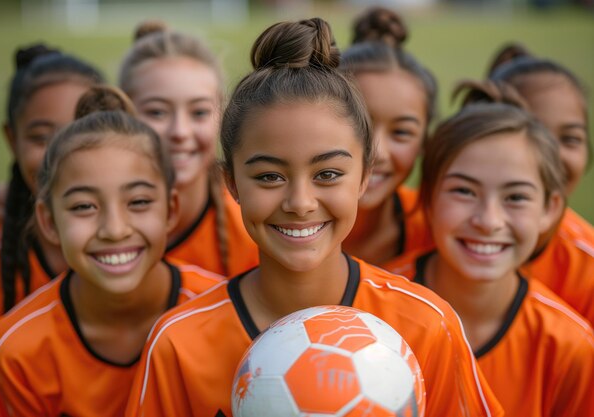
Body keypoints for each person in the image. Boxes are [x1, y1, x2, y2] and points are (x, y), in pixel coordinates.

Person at [125, 18, 504, 417]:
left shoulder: (427, 327)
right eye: (269, 176)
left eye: (327, 174)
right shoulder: (178, 344)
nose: (300, 202)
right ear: (232, 183)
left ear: (365, 177)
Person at [0, 85, 223, 417]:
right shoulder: (18, 347)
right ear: (49, 221)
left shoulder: (219, 313)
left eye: (138, 202)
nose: (114, 229)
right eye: (84, 206)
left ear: (170, 210)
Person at [386, 82, 594, 416]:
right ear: (428, 197)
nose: (488, 221)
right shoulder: (373, 311)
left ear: (550, 209)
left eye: (516, 197)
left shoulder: (571, 349)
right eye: (464, 191)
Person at [0, 44, 104, 416]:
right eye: (42, 137)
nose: (61, 154)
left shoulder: (154, 245)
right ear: (11, 139)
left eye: (81, 132)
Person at [118, 20, 258, 276]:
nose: (180, 132)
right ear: (123, 114)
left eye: (199, 112)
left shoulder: (252, 230)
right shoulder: (97, 221)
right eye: (157, 112)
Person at [487, 44, 594, 325]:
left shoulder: (587, 265)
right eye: (533, 133)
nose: (552, 154)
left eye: (570, 138)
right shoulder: (436, 226)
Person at [339, 6, 437, 267]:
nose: (377, 151)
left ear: (424, 144)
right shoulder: (264, 220)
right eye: (360, 124)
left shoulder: (439, 232)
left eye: (402, 132)